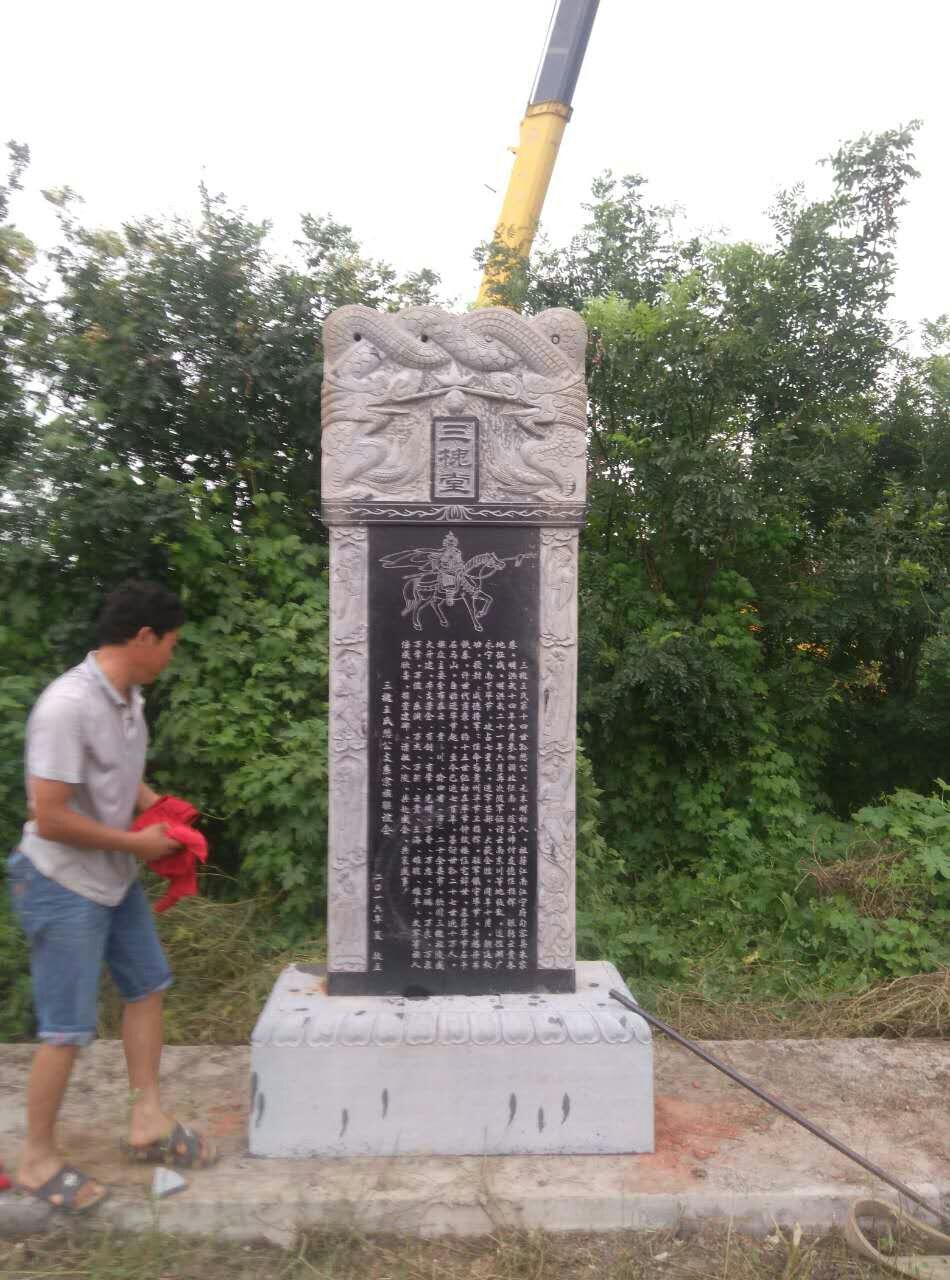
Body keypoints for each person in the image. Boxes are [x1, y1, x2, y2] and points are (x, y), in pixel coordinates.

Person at [6, 580, 216, 1215]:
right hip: (59, 880)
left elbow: (119, 778)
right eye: (171, 643)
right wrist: (137, 844)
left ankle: (146, 1119)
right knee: (66, 1029)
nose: (173, 655)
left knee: (147, 986)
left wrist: (158, 808)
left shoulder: (129, 700)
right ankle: (36, 1158)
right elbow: (49, 816)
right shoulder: (66, 706)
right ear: (144, 637)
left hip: (111, 876)